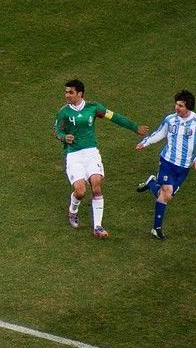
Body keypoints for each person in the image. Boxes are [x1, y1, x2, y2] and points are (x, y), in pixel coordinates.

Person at [53, 79, 148, 237]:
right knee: (80, 191)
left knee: (96, 184)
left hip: (91, 153)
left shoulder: (93, 108)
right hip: (74, 155)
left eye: (70, 92)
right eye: (66, 92)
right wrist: (64, 137)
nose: (67, 95)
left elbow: (115, 117)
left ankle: (98, 226)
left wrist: (135, 128)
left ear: (80, 94)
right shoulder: (64, 112)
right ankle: (73, 210)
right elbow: (56, 130)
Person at [135, 90, 196, 240]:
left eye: (180, 105)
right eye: (176, 104)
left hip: (183, 167)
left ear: (188, 107)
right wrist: (145, 143)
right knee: (167, 193)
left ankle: (151, 183)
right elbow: (159, 133)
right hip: (167, 161)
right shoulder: (170, 119)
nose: (176, 107)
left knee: (165, 196)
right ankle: (156, 228)